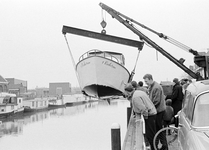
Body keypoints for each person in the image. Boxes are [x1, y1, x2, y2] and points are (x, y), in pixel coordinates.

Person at [124, 83, 157, 150]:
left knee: (150, 135)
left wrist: (144, 120)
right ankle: (153, 147)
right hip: (153, 112)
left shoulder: (135, 97)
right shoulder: (138, 92)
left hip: (150, 115)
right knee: (152, 133)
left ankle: (153, 148)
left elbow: (143, 109)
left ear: (128, 91)